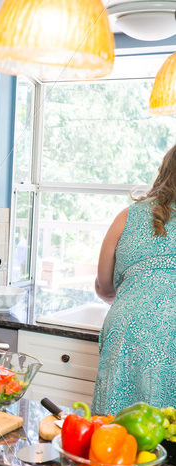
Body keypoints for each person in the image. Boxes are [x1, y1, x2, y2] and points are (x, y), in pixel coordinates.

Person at [92, 144, 176, 416]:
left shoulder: (127, 216)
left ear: (164, 171)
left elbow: (104, 286)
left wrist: (136, 299)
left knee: (116, 432)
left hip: (127, 325)